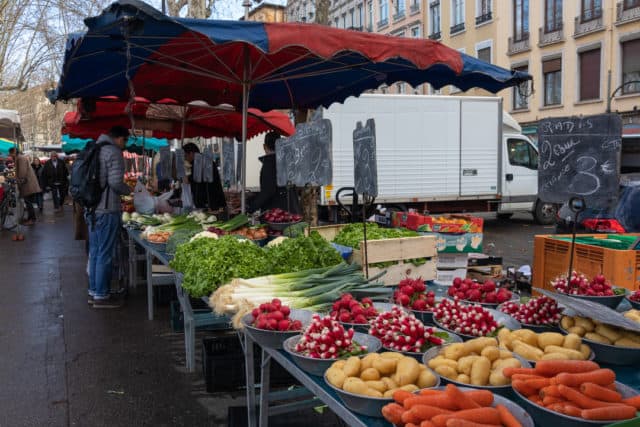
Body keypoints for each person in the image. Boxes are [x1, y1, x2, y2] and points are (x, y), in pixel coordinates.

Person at [87, 126, 132, 308]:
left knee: (96, 252)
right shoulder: (113, 152)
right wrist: (129, 190)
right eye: (125, 141)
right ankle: (101, 295)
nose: (125, 145)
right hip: (107, 209)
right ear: (119, 138)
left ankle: (94, 291)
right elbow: (115, 183)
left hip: (92, 209)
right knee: (105, 253)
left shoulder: (95, 148)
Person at [248, 132, 300, 214]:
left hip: (278, 216)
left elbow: (268, 192)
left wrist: (250, 208)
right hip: (292, 211)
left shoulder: (270, 164)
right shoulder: (288, 162)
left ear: (264, 146)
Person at [182, 143, 226, 211]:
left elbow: (187, 181)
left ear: (191, 153)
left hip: (209, 204)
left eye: (185, 156)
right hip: (215, 201)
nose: (185, 159)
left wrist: (184, 169)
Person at [8, 148, 41, 225]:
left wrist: (19, 181)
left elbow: (22, 172)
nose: (10, 155)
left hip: (28, 184)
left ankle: (32, 219)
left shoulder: (20, 158)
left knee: (28, 202)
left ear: (14, 152)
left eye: (11, 153)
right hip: (27, 184)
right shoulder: (19, 158)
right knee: (28, 202)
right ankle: (30, 218)